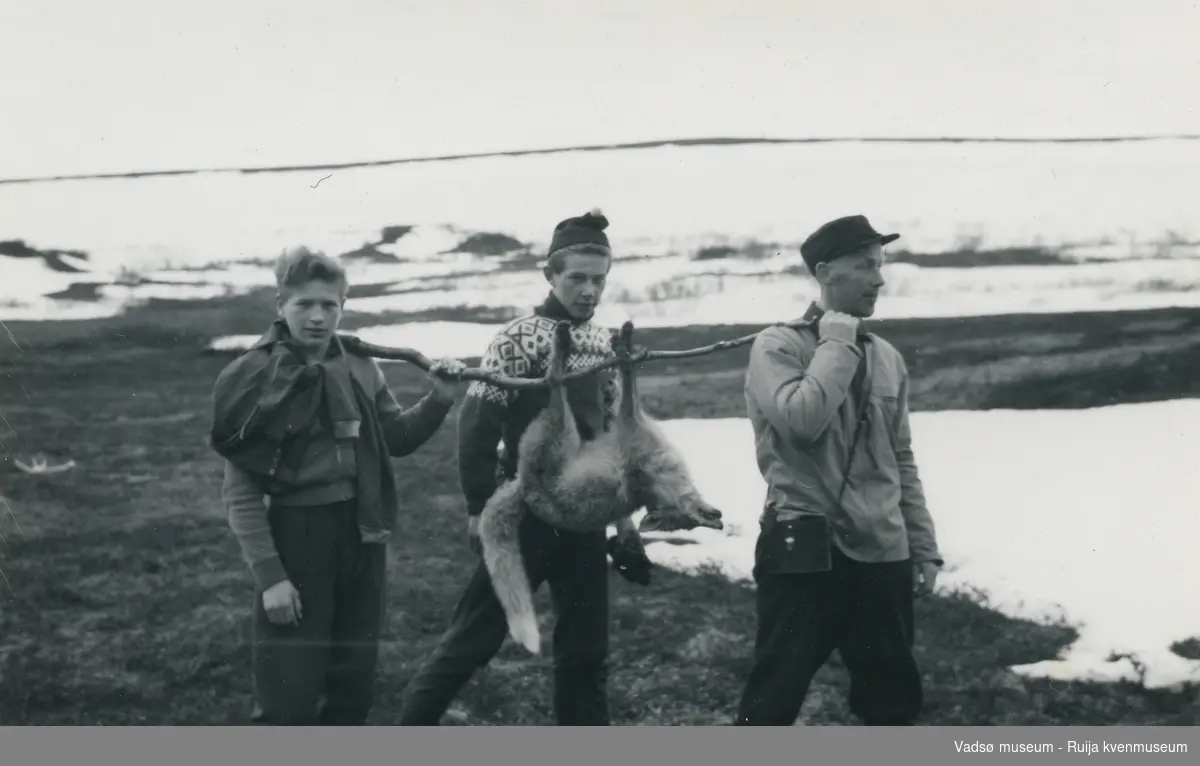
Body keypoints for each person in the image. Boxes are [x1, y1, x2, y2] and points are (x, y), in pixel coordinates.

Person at [396, 209, 653, 726]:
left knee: (585, 656)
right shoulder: (518, 340)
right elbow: (476, 426)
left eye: (598, 279)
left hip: (583, 522)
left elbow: (608, 437)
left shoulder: (603, 343)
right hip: (523, 518)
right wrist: (477, 509)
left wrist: (622, 521)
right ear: (550, 276)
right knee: (472, 641)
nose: (588, 290)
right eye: (576, 278)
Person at [210, 246, 466, 725]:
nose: (317, 316)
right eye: (304, 304)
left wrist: (439, 400)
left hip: (363, 534)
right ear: (280, 306)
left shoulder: (361, 366)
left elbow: (398, 438)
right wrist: (272, 579)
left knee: (352, 686)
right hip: (297, 536)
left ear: (343, 307)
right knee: (288, 695)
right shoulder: (253, 377)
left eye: (330, 305)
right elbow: (241, 493)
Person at [734, 214, 944, 726]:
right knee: (774, 695)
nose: (879, 279)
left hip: (882, 549)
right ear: (826, 273)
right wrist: (835, 344)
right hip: (805, 546)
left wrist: (922, 545)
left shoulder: (888, 358)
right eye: (865, 266)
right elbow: (801, 422)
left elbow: (901, 459)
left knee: (892, 700)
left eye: (880, 266)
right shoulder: (778, 346)